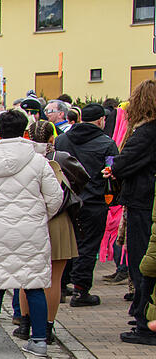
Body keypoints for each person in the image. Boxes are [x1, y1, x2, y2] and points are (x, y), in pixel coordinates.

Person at [0, 109, 63, 357]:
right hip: (31, 229)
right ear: (24, 130)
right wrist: (40, 216)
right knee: (34, 284)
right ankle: (39, 340)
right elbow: (55, 197)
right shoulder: (38, 160)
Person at [14, 120, 82, 344]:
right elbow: (82, 180)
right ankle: (47, 327)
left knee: (27, 277)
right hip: (58, 220)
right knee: (53, 279)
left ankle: (25, 324)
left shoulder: (21, 160)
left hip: (29, 219)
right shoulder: (61, 158)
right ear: (52, 138)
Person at [54, 103, 117, 306]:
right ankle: (81, 291)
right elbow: (112, 172)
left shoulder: (62, 140)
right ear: (100, 120)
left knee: (66, 243)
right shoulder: (106, 143)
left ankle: (61, 287)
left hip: (67, 201)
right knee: (88, 246)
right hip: (94, 201)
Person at [110, 80, 156, 345]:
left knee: (142, 261)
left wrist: (114, 168)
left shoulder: (146, 132)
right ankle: (142, 313)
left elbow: (124, 163)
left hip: (143, 203)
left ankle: (144, 322)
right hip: (145, 200)